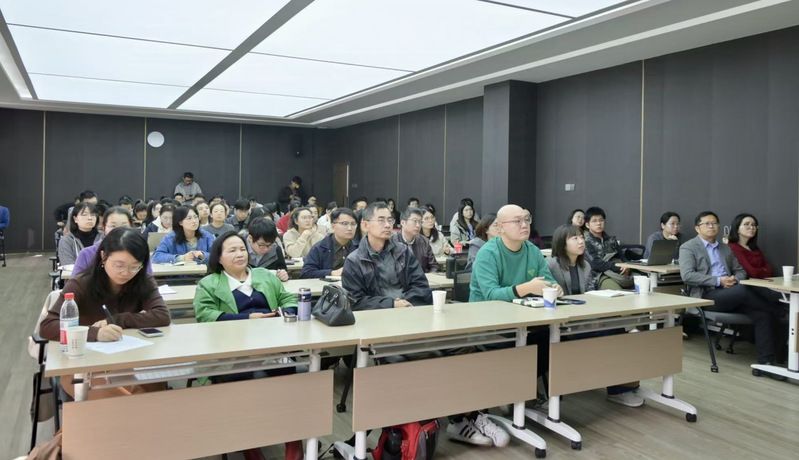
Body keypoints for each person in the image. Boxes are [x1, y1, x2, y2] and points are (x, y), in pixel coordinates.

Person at [192, 231, 303, 460]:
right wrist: (246, 319)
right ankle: (248, 442)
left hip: (272, 346)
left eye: (242, 249)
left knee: (290, 379)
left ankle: (294, 438)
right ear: (219, 257)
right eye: (232, 250)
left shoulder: (263, 275)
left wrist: (283, 314)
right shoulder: (209, 283)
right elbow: (205, 315)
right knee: (242, 382)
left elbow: (288, 299)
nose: (239, 254)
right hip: (233, 352)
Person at [41, 228, 170, 398]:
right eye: (119, 265)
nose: (126, 273)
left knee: (156, 388)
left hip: (127, 359)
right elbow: (48, 325)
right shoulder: (81, 284)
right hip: (84, 365)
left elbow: (162, 315)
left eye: (135, 267)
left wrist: (117, 320)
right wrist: (95, 333)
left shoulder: (143, 281)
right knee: (126, 400)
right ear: (103, 256)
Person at [546, 224, 644, 406]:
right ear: (562, 243)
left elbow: (589, 294)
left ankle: (620, 387)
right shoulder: (551, 265)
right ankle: (618, 388)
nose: (581, 241)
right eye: (575, 238)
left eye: (581, 237)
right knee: (610, 333)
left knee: (617, 328)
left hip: (583, 318)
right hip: (563, 324)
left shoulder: (585, 265)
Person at [679, 211, 781, 371]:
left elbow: (740, 271)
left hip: (732, 293)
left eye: (715, 223)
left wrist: (733, 279)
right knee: (745, 290)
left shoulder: (725, 248)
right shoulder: (688, 247)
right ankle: (779, 308)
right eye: (707, 223)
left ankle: (765, 364)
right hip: (706, 296)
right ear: (697, 228)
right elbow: (687, 275)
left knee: (762, 314)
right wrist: (719, 281)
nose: (712, 226)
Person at [342, 202, 432, 310]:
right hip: (376, 315)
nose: (388, 225)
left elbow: (421, 287)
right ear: (366, 225)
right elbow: (355, 301)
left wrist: (404, 303)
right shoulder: (354, 260)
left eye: (390, 220)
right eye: (381, 220)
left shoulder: (403, 252)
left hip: (407, 310)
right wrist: (392, 304)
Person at [470, 205, 561, 301]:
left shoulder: (533, 251)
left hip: (523, 307)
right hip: (486, 308)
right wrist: (527, 288)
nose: (524, 225)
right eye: (517, 221)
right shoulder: (488, 253)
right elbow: (491, 294)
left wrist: (554, 288)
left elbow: (548, 281)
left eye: (527, 219)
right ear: (500, 227)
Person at [73, 206, 152, 276]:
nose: (118, 230)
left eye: (124, 226)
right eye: (113, 226)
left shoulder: (140, 252)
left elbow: (148, 281)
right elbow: (76, 284)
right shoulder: (86, 254)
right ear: (104, 227)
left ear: (131, 227)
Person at [583, 206, 632, 290]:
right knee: (617, 291)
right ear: (587, 225)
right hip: (599, 276)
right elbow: (595, 264)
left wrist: (627, 265)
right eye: (594, 221)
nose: (598, 223)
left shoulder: (611, 240)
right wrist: (618, 267)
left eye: (601, 220)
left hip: (618, 274)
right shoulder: (585, 242)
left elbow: (622, 257)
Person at [300, 208, 357, 279]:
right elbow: (306, 273)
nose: (350, 228)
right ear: (333, 226)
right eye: (344, 223)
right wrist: (332, 273)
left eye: (353, 224)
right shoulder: (320, 248)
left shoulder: (359, 248)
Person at [391, 207, 438, 273]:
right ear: (403, 223)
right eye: (415, 221)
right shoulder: (392, 242)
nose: (418, 225)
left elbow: (434, 266)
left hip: (422, 278)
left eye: (420, 222)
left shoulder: (424, 241)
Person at [728, 213, 773, 279]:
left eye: (753, 225)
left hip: (762, 282)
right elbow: (750, 272)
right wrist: (763, 271)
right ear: (737, 228)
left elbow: (770, 270)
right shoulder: (733, 247)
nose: (751, 227)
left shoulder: (754, 248)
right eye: (746, 224)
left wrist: (762, 271)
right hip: (745, 284)